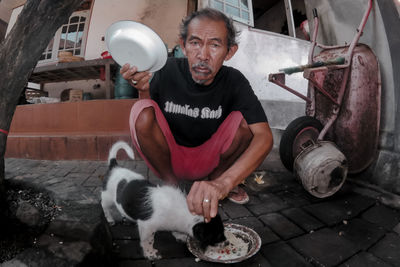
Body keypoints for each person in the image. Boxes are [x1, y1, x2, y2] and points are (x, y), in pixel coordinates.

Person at [120, 8, 273, 223]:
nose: (203, 55)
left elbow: (264, 136)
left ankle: (216, 182)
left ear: (229, 52)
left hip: (210, 159)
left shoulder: (235, 81)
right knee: (141, 110)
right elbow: (148, 120)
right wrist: (142, 88)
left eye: (215, 45)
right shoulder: (165, 71)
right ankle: (171, 185)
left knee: (246, 123)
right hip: (171, 159)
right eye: (195, 43)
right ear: (183, 45)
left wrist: (225, 182)